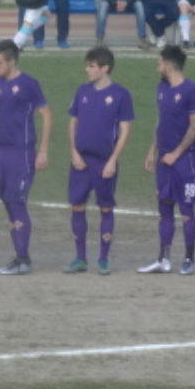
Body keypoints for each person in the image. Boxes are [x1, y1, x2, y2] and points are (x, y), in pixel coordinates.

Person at [65, 46, 134, 275]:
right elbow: (73, 122)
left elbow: (125, 130)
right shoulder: (81, 91)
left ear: (105, 68)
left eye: (91, 66)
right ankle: (80, 258)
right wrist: (73, 152)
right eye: (87, 65)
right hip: (81, 161)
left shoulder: (121, 94)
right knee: (77, 206)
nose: (87, 70)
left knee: (105, 207)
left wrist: (113, 160)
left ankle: (103, 259)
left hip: (104, 161)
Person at [138, 45, 195, 275]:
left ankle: (189, 259)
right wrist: (152, 151)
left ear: (168, 64)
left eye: (159, 63)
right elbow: (161, 121)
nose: (157, 66)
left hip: (186, 161)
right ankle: (163, 259)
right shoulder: (162, 88)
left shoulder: (192, 90)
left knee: (186, 209)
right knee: (164, 208)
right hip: (164, 161)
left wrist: (176, 153)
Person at [0, 39, 50, 275]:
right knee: (7, 200)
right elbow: (0, 117)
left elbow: (46, 115)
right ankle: (19, 255)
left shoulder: (28, 84)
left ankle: (24, 259)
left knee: (17, 201)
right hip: (3, 152)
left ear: (11, 62)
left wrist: (42, 150)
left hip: (22, 152)